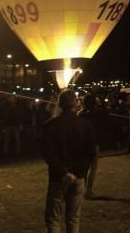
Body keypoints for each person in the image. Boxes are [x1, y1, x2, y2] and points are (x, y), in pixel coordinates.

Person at [42, 90, 95, 233]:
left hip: (57, 177)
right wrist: (75, 172)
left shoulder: (50, 125)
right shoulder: (84, 124)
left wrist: (64, 172)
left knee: (53, 219)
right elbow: (90, 154)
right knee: (73, 219)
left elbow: (49, 154)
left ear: (59, 104)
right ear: (75, 104)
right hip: (77, 177)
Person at [80, 94, 108, 200]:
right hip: (93, 143)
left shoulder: (81, 113)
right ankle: (88, 191)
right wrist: (100, 105)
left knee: (84, 167)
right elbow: (106, 117)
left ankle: (83, 190)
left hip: (83, 143)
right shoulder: (96, 113)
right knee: (92, 168)